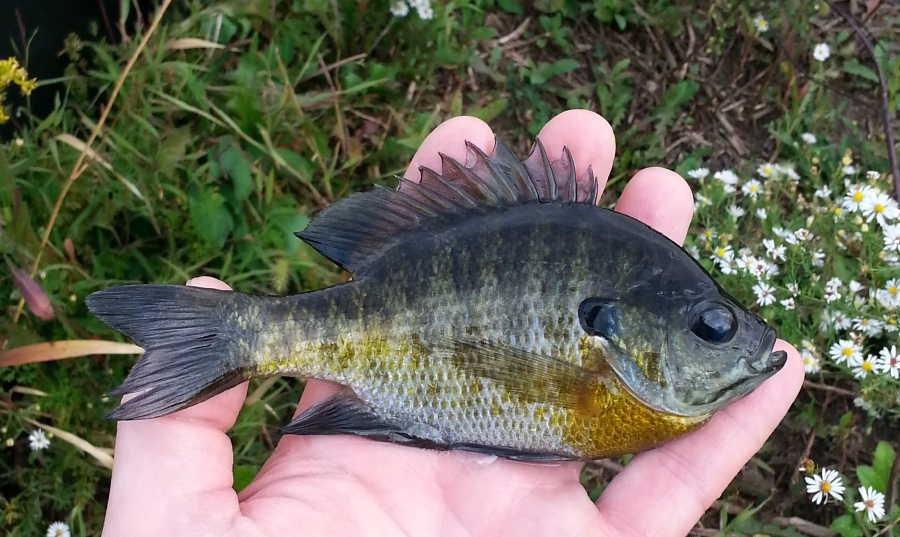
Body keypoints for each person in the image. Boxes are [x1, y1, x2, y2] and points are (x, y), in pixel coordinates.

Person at [100, 110, 803, 536]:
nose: (734, 339)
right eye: (710, 326)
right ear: (620, 325)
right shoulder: (606, 384)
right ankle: (232, 333)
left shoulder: (626, 393)